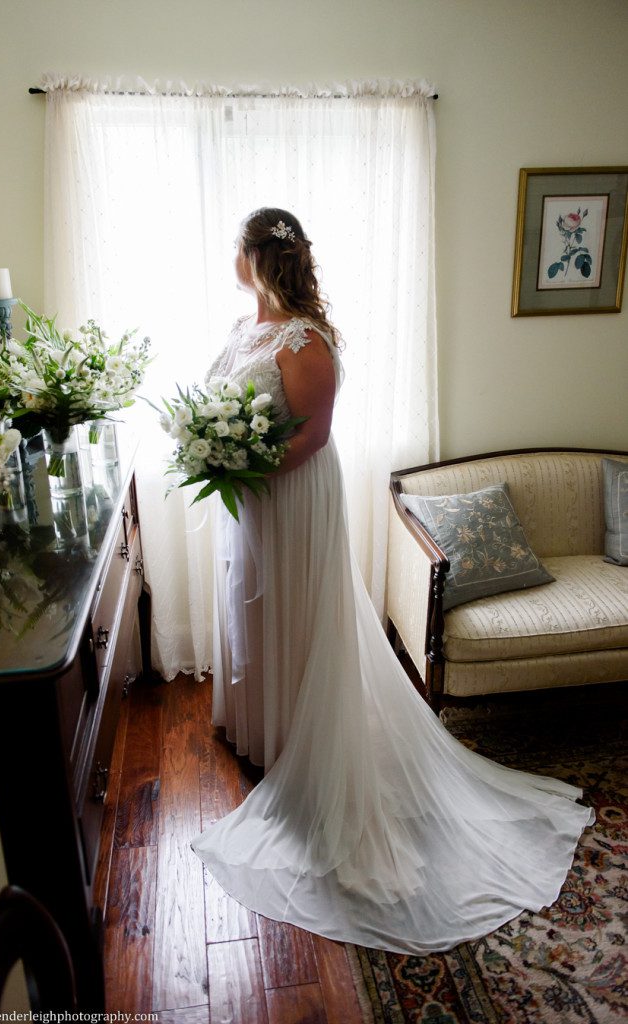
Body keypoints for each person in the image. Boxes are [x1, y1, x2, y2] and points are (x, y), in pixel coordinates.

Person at [189, 207, 595, 954]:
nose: (230, 260)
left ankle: (301, 737)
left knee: (292, 607)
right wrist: (213, 452)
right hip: (248, 498)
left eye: (236, 250)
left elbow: (311, 437)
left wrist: (238, 464)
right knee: (251, 603)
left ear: (259, 257)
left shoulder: (306, 341)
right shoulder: (245, 328)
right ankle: (262, 725)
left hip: (290, 494)